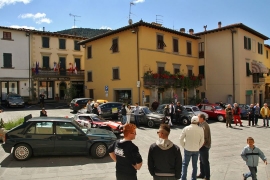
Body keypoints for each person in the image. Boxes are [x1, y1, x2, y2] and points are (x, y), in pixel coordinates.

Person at [179, 116, 204, 180]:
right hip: (196, 149)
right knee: (195, 165)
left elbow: (181, 139)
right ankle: (193, 178)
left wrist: (184, 145)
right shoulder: (201, 129)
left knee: (185, 164)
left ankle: (183, 178)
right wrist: (198, 147)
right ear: (198, 121)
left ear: (191, 121)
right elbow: (202, 141)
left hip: (187, 148)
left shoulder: (186, 128)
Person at [197, 113, 212, 180]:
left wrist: (200, 146)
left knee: (205, 162)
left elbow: (205, 138)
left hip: (204, 146)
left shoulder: (205, 126)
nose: (197, 119)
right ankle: (202, 174)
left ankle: (207, 176)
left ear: (202, 118)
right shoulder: (201, 124)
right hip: (201, 146)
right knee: (201, 160)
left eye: (198, 117)